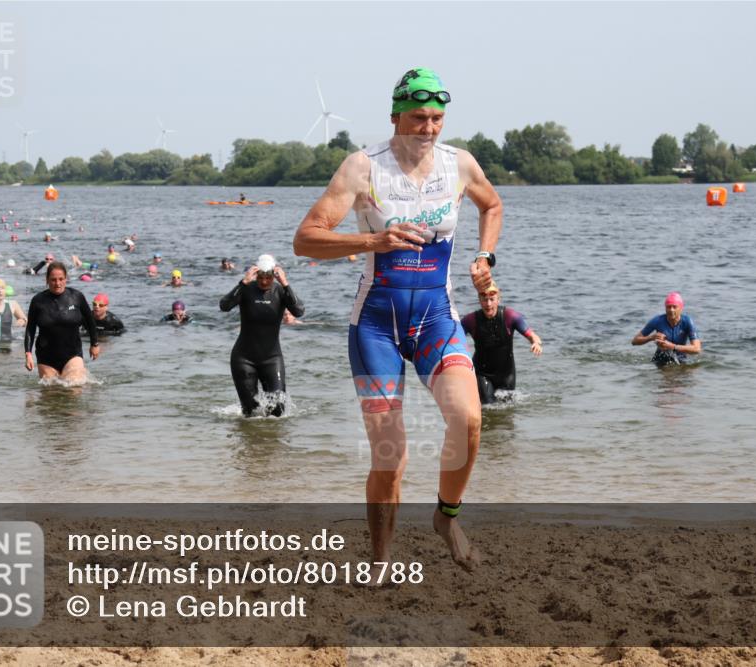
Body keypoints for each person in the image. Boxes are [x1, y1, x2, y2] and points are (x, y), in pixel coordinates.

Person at [292, 67, 501, 570]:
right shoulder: (363, 168)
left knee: (469, 420)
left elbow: (491, 205)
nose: (427, 128)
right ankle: (382, 559)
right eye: (417, 117)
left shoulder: (461, 165)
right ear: (395, 117)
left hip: (437, 318)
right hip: (376, 326)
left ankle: (446, 516)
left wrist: (485, 257)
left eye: (435, 118)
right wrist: (373, 240)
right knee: (390, 458)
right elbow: (305, 239)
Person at [220, 254, 304, 417]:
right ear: (256, 274)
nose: (264, 281)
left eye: (268, 277)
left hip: (272, 358)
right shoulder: (246, 289)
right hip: (243, 359)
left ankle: (271, 442)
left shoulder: (280, 291)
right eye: (261, 277)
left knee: (278, 410)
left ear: (274, 275)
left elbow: (299, 311)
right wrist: (243, 282)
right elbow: (224, 306)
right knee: (250, 412)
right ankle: (252, 442)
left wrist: (285, 283)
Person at [460, 282, 542, 404]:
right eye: (484, 300)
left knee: (506, 413)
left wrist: (535, 343)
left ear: (498, 299)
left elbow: (533, 336)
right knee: (488, 405)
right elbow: (453, 338)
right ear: (479, 300)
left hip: (507, 375)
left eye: (492, 299)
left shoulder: (510, 316)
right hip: (482, 374)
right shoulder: (471, 320)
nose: (488, 304)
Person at [24, 261, 100, 381]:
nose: (57, 283)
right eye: (53, 279)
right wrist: (28, 353)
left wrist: (94, 344)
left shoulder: (76, 297)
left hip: (72, 354)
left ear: (66, 279)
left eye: (61, 279)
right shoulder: (38, 301)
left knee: (74, 387)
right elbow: (30, 329)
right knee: (50, 394)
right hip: (46, 357)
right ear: (47, 280)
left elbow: (90, 321)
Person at [631, 292, 702, 366]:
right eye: (669, 307)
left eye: (674, 307)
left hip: (680, 360)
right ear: (665, 308)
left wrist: (672, 347)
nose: (671, 310)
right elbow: (634, 341)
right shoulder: (657, 320)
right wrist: (651, 337)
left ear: (681, 308)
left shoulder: (687, 321)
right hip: (660, 360)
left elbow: (697, 349)